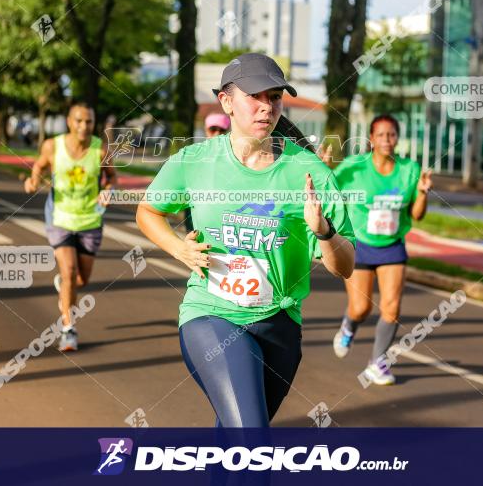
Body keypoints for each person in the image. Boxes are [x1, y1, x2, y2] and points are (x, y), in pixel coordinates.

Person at [136, 53, 355, 427]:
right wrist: (179, 248)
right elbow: (148, 211)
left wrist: (324, 232)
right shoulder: (195, 160)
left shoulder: (307, 171)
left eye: (274, 97)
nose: (266, 107)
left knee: (236, 437)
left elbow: (345, 266)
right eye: (255, 96)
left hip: (280, 324)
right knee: (250, 438)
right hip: (211, 315)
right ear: (226, 101)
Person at [329, 114, 432, 385]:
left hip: (392, 246)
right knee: (361, 308)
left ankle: (378, 363)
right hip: (360, 245)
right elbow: (329, 193)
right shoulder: (353, 168)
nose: (387, 140)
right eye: (381, 135)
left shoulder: (410, 170)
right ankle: (349, 326)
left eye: (392, 135)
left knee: (392, 308)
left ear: (397, 138)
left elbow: (417, 215)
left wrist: (422, 192)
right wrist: (324, 170)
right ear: (372, 139)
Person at [24, 103, 116, 352]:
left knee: (81, 280)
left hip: (90, 220)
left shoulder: (100, 150)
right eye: (79, 121)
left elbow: (111, 178)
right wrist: (32, 180)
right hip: (60, 218)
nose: (84, 126)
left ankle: (65, 288)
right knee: (69, 271)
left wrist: (108, 192)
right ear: (69, 122)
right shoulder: (53, 146)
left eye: (88, 122)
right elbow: (40, 165)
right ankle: (68, 330)